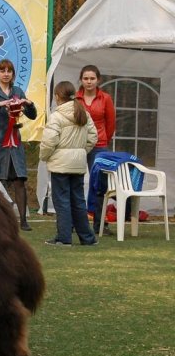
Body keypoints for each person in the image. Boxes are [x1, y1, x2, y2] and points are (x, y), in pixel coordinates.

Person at [0, 59, 37, 231]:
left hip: (14, 143)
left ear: (13, 74)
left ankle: (24, 220)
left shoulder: (18, 91)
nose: (5, 74)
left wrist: (30, 105)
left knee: (19, 180)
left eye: (9, 71)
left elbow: (31, 115)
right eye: (2, 71)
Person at [40, 81, 98, 246]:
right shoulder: (83, 113)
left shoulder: (56, 116)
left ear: (57, 97)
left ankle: (64, 238)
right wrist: (80, 151)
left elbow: (49, 142)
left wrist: (45, 156)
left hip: (60, 164)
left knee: (62, 201)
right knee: (78, 201)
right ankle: (87, 238)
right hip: (78, 164)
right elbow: (93, 137)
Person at [75, 65, 116, 235]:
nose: (89, 81)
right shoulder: (75, 100)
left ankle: (100, 224)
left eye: (92, 78)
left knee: (99, 185)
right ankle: (75, 223)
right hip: (78, 145)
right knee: (75, 182)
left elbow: (111, 123)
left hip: (99, 146)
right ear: (81, 80)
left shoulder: (105, 98)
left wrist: (104, 140)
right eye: (86, 78)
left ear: (98, 80)